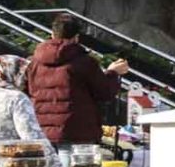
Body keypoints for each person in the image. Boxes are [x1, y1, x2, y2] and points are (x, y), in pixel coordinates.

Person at [27, 14, 130, 145]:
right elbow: (104, 92)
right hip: (77, 132)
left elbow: (28, 91)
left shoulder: (33, 62)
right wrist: (113, 73)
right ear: (76, 37)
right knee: (73, 165)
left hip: (41, 130)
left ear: (52, 34)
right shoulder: (84, 62)